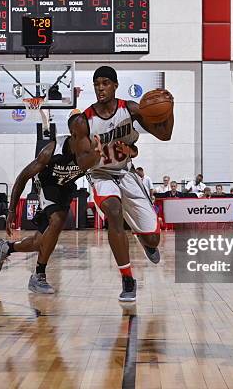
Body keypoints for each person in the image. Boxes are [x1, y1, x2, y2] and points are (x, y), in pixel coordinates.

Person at [72, 66, 174, 301]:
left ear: (115, 85)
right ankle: (127, 279)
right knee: (114, 212)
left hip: (126, 173)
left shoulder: (129, 109)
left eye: (105, 83)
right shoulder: (83, 121)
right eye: (97, 83)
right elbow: (82, 164)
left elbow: (164, 135)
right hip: (100, 175)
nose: (100, 88)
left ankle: (144, 238)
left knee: (153, 238)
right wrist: (95, 154)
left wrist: (170, 109)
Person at [0, 113, 106, 293]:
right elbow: (22, 177)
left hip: (66, 188)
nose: (86, 143)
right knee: (57, 220)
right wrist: (11, 210)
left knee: (40, 241)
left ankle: (6, 247)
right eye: (82, 138)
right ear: (73, 136)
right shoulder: (51, 151)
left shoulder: (93, 152)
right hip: (46, 185)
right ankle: (38, 275)